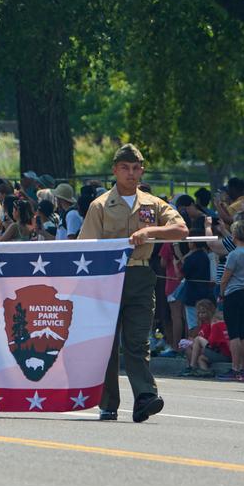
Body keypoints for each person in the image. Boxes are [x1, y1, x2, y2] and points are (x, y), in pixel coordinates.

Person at [79, 144, 187, 422]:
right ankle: (108, 402)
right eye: (125, 168)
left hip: (140, 276)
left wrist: (151, 230)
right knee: (108, 344)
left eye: (136, 167)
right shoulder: (100, 205)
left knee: (138, 341)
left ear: (142, 170)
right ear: (115, 170)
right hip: (106, 280)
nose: (131, 173)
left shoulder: (154, 204)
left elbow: (181, 230)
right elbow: (86, 249)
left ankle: (145, 397)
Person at [217, 220, 244, 381]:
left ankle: (235, 368)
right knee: (243, 333)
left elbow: (225, 278)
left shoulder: (234, 254)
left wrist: (221, 293)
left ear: (234, 235)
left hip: (233, 293)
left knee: (234, 333)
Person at [180, 299, 229, 378]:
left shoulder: (214, 323)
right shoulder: (203, 325)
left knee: (197, 340)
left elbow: (212, 342)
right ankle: (205, 372)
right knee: (200, 358)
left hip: (221, 352)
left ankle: (192, 367)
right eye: (199, 313)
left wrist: (195, 343)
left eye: (203, 312)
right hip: (213, 350)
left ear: (210, 311)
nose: (201, 315)